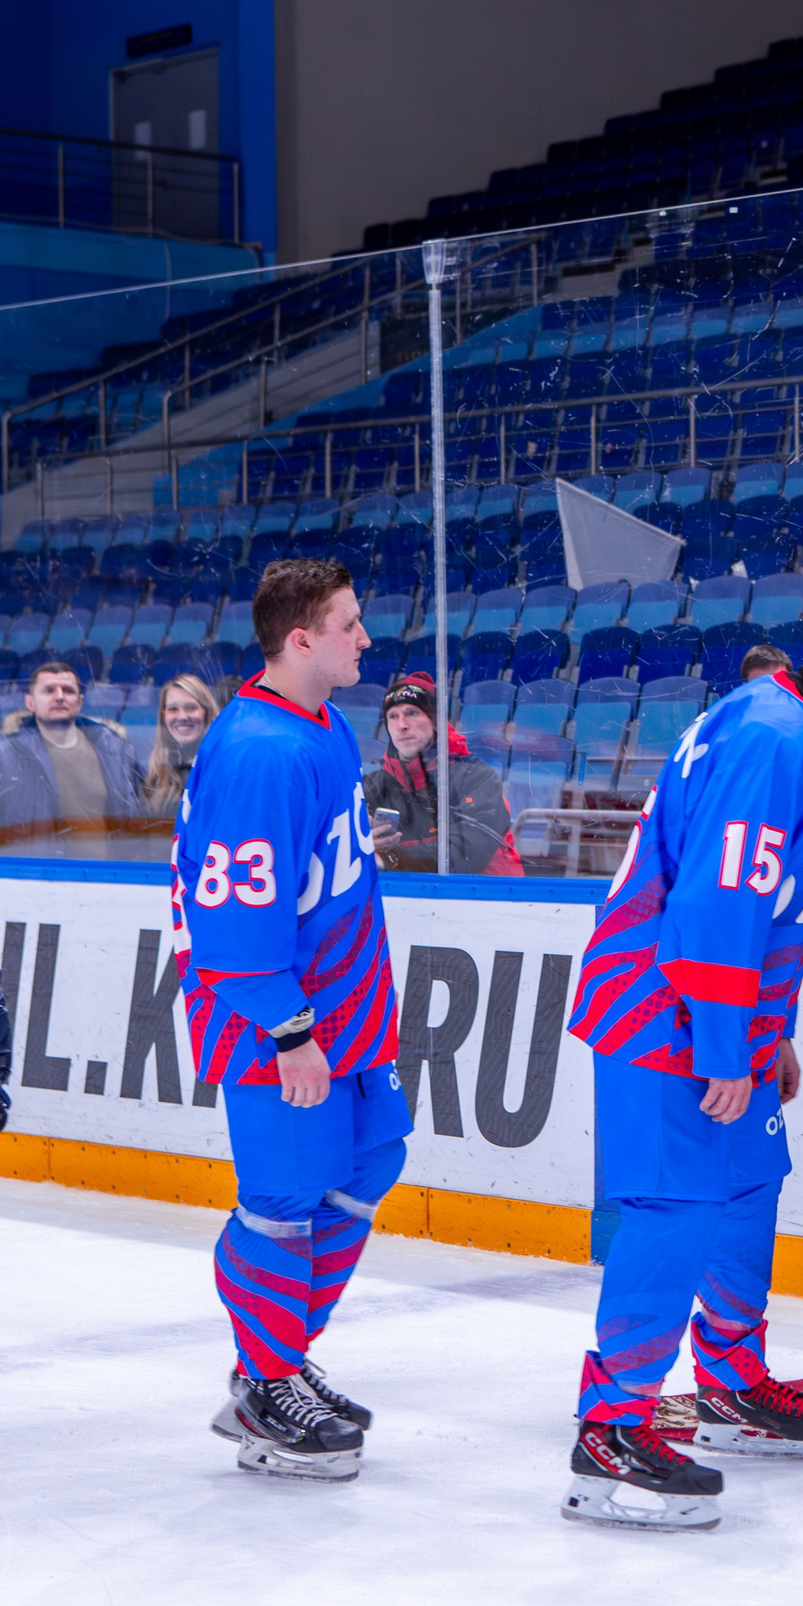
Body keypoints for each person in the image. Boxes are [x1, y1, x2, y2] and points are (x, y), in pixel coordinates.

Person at [562, 613, 803, 1532]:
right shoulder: (778, 738)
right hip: (667, 1021)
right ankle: (610, 1434)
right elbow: (718, 902)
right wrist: (726, 1044)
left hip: (718, 1019)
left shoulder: (787, 725)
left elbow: (763, 900)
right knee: (673, 1209)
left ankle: (729, 1385)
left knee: (745, 1188)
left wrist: (771, 1032)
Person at [173, 559, 408, 1485]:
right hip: (283, 1021)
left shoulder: (318, 724)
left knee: (368, 1164)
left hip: (349, 1015)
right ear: (300, 639)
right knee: (283, 1201)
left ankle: (272, 1355)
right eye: (348, 624)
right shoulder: (258, 748)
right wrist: (287, 1026)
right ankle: (266, 1381)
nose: (363, 637)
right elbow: (233, 915)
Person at [0, 659, 146, 857]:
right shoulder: (4, 755)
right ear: (30, 703)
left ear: (80, 702)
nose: (59, 697)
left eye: (68, 691)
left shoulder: (115, 751)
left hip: (108, 880)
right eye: (49, 690)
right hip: (39, 881)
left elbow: (139, 820)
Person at [362, 672, 521, 876]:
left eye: (412, 713)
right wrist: (360, 842)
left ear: (435, 720)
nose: (401, 725)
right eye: (393, 716)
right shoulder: (374, 786)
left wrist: (389, 858)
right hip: (400, 897)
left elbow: (465, 854)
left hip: (485, 899)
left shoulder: (476, 777)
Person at [140, 672, 219, 822]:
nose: (182, 717)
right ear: (163, 715)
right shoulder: (157, 769)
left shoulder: (221, 764)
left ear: (206, 713)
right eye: (173, 709)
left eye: (190, 708)